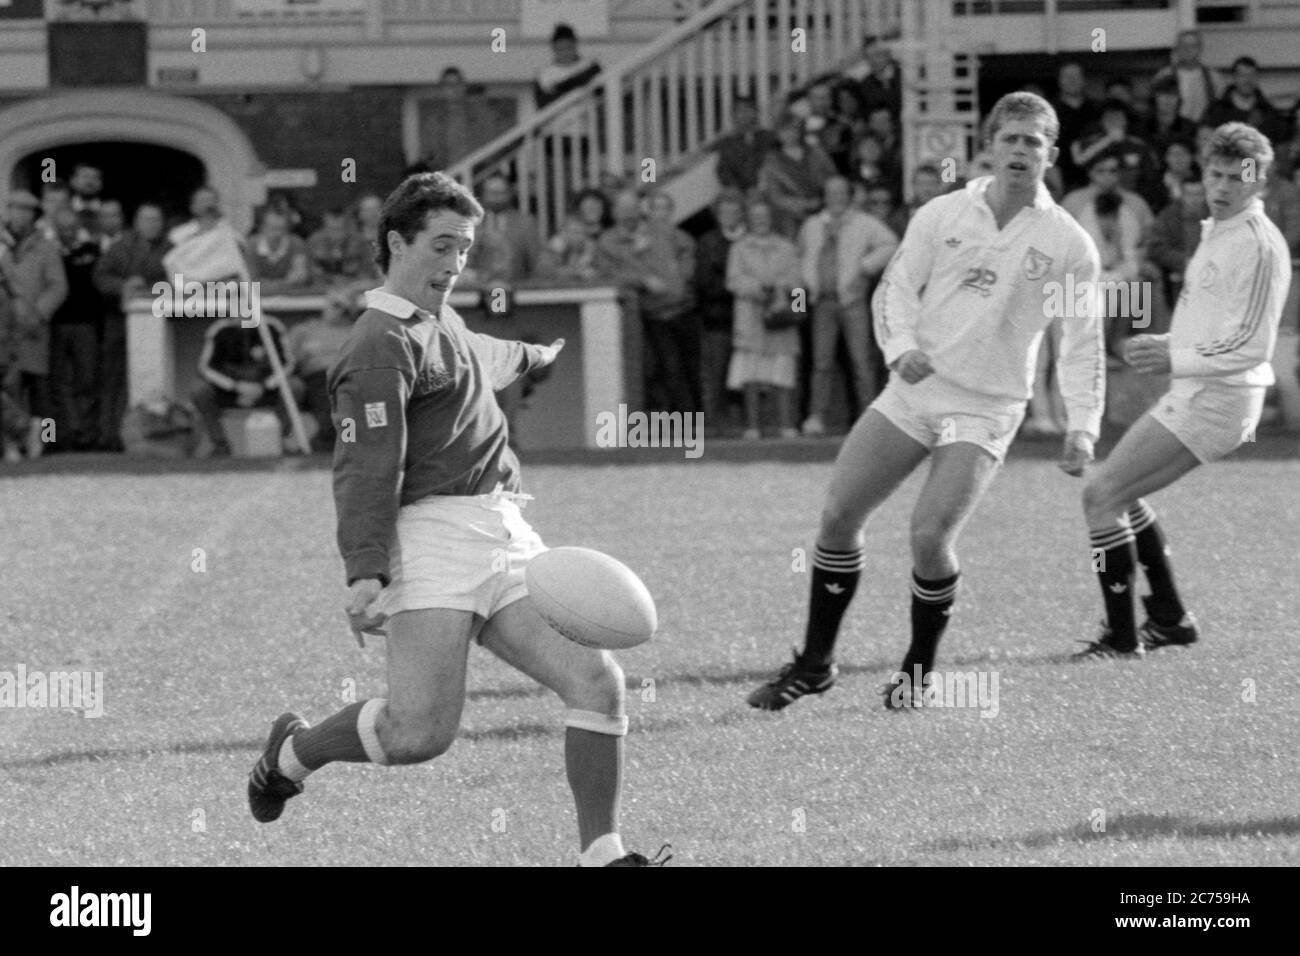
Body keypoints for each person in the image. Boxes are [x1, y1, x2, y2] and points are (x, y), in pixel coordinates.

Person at [245, 171, 666, 868]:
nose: (454, 263)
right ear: (396, 242)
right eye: (441, 246)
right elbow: (366, 465)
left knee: (598, 682)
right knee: (418, 734)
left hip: (504, 533)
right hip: (431, 540)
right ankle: (291, 753)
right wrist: (364, 573)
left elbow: (476, 374)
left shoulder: (441, 323)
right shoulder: (378, 343)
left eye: (465, 249)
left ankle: (604, 854)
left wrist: (534, 356)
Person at [746, 92, 1105, 710]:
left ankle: (917, 676)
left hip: (987, 406)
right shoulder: (943, 214)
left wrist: (1083, 425)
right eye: (1010, 139)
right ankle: (813, 664)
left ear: (1050, 153)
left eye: (1034, 141)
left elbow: (1081, 341)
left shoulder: (1069, 243)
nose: (1021, 151)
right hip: (914, 390)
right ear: (989, 146)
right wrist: (900, 348)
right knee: (838, 516)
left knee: (929, 534)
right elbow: (896, 290)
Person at [1075, 122, 1290, 658]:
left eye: (1235, 178)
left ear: (1258, 180)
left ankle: (1122, 639)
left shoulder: (1259, 245)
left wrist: (1175, 355)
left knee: (1100, 495)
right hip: (1199, 390)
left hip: (1219, 398)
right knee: (1121, 494)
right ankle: (1170, 619)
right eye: (1213, 174)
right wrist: (1171, 342)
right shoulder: (1220, 230)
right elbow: (1220, 327)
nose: (1221, 187)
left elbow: (1252, 346)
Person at [799, 175, 898, 436]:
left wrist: (866, 267)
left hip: (852, 301)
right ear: (825, 196)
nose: (836, 198)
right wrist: (801, 302)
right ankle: (816, 416)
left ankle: (868, 420)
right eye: (831, 193)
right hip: (821, 302)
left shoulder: (864, 223)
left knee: (861, 361)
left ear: (849, 195)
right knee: (821, 362)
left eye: (841, 193)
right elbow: (801, 258)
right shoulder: (812, 224)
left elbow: (891, 244)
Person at [93, 202, 170, 452]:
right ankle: (109, 435)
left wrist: (157, 288)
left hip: (160, 324)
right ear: (137, 223)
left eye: (156, 220)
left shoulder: (171, 248)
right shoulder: (120, 248)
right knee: (112, 379)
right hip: (119, 321)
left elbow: (184, 278)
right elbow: (100, 278)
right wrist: (124, 285)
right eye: (147, 220)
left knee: (149, 377)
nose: (152, 225)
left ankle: (143, 434)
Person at [726, 196, 802, 439]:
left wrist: (784, 291)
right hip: (750, 318)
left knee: (783, 372)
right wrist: (756, 288)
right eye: (756, 217)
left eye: (765, 216)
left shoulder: (787, 247)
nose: (761, 221)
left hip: (781, 319)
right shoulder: (738, 248)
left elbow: (800, 285)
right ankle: (753, 427)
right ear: (749, 220)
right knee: (750, 374)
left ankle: (786, 425)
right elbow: (732, 281)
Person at [0, 190, 68, 457]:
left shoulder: (46, 246)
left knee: (40, 389)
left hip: (33, 328)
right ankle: (11, 443)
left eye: (26, 211)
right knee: (8, 387)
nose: (20, 215)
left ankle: (45, 441)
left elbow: (58, 286)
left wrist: (38, 313)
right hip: (3, 326)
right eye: (15, 209)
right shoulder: (1, 245)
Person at [190, 311, 299, 457]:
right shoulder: (220, 329)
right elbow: (205, 368)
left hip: (267, 389)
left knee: (295, 386)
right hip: (230, 391)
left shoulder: (272, 326)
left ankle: (279, 441)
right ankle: (220, 445)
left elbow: (289, 364)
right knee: (199, 390)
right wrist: (236, 387)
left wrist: (264, 386)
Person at [48, 207, 104, 451]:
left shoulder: (92, 250)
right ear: (56, 229)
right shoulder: (48, 251)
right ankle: (64, 434)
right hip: (56, 324)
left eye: (71, 228)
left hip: (85, 324)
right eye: (63, 229)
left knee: (87, 380)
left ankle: (87, 434)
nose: (68, 233)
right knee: (58, 381)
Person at [693, 190, 747, 436]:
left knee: (745, 375)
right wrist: (734, 284)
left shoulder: (751, 239)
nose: (729, 216)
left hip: (750, 319)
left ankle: (746, 423)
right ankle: (715, 425)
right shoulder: (707, 242)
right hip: (718, 319)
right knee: (717, 373)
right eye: (724, 211)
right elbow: (703, 283)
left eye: (734, 210)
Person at [286, 286, 360, 451]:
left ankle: (340, 442)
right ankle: (330, 440)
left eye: (344, 308)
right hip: (316, 377)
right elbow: (287, 360)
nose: (338, 311)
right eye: (335, 305)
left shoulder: (358, 330)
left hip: (350, 375)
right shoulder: (305, 330)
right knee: (330, 394)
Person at [758, 113, 837, 236]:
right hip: (791, 215)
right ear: (777, 133)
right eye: (785, 130)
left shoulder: (816, 152)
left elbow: (833, 178)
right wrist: (805, 205)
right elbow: (775, 196)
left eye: (794, 129)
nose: (790, 133)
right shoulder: (772, 161)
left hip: (824, 206)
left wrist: (824, 201)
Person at [1152, 29, 1221, 126]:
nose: (1188, 50)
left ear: (1201, 48)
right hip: (1174, 131)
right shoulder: (1164, 75)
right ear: (1176, 49)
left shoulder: (1214, 78)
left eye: (1193, 46)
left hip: (1203, 132)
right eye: (1183, 46)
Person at [714, 95, 778, 194]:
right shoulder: (727, 142)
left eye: (749, 109)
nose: (745, 113)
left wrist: (763, 187)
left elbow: (776, 164)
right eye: (740, 110)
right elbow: (724, 171)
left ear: (756, 113)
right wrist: (741, 191)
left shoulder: (769, 137)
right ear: (734, 115)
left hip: (768, 191)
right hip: (740, 195)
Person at [534, 23, 601, 110]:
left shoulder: (589, 66)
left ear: (575, 45)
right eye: (560, 49)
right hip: (560, 121)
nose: (565, 53)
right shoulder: (544, 76)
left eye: (568, 47)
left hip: (587, 120)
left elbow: (601, 93)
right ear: (553, 48)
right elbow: (542, 105)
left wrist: (559, 87)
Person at [248, 207, 312, 295]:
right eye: (272, 228)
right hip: (258, 300)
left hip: (291, 301)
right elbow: (251, 282)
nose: (277, 234)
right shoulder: (251, 245)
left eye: (281, 229)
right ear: (262, 228)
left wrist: (297, 278)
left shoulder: (297, 243)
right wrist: (284, 284)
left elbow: (300, 278)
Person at [307, 208, 373, 283]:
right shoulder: (314, 242)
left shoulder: (360, 242)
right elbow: (310, 272)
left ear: (348, 227)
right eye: (331, 230)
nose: (335, 235)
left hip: (354, 287)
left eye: (340, 230)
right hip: (321, 289)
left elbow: (368, 272)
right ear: (324, 226)